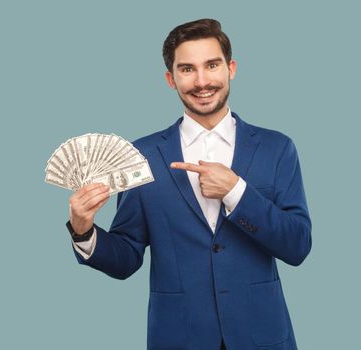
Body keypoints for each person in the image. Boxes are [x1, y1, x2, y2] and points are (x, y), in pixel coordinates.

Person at [66, 18, 312, 350]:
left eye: (212, 65)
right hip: (178, 338)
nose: (202, 81)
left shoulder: (277, 148)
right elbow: (126, 257)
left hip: (263, 337)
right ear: (171, 79)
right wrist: (84, 231)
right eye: (187, 69)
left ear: (231, 68)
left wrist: (236, 192)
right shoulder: (143, 155)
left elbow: (297, 246)